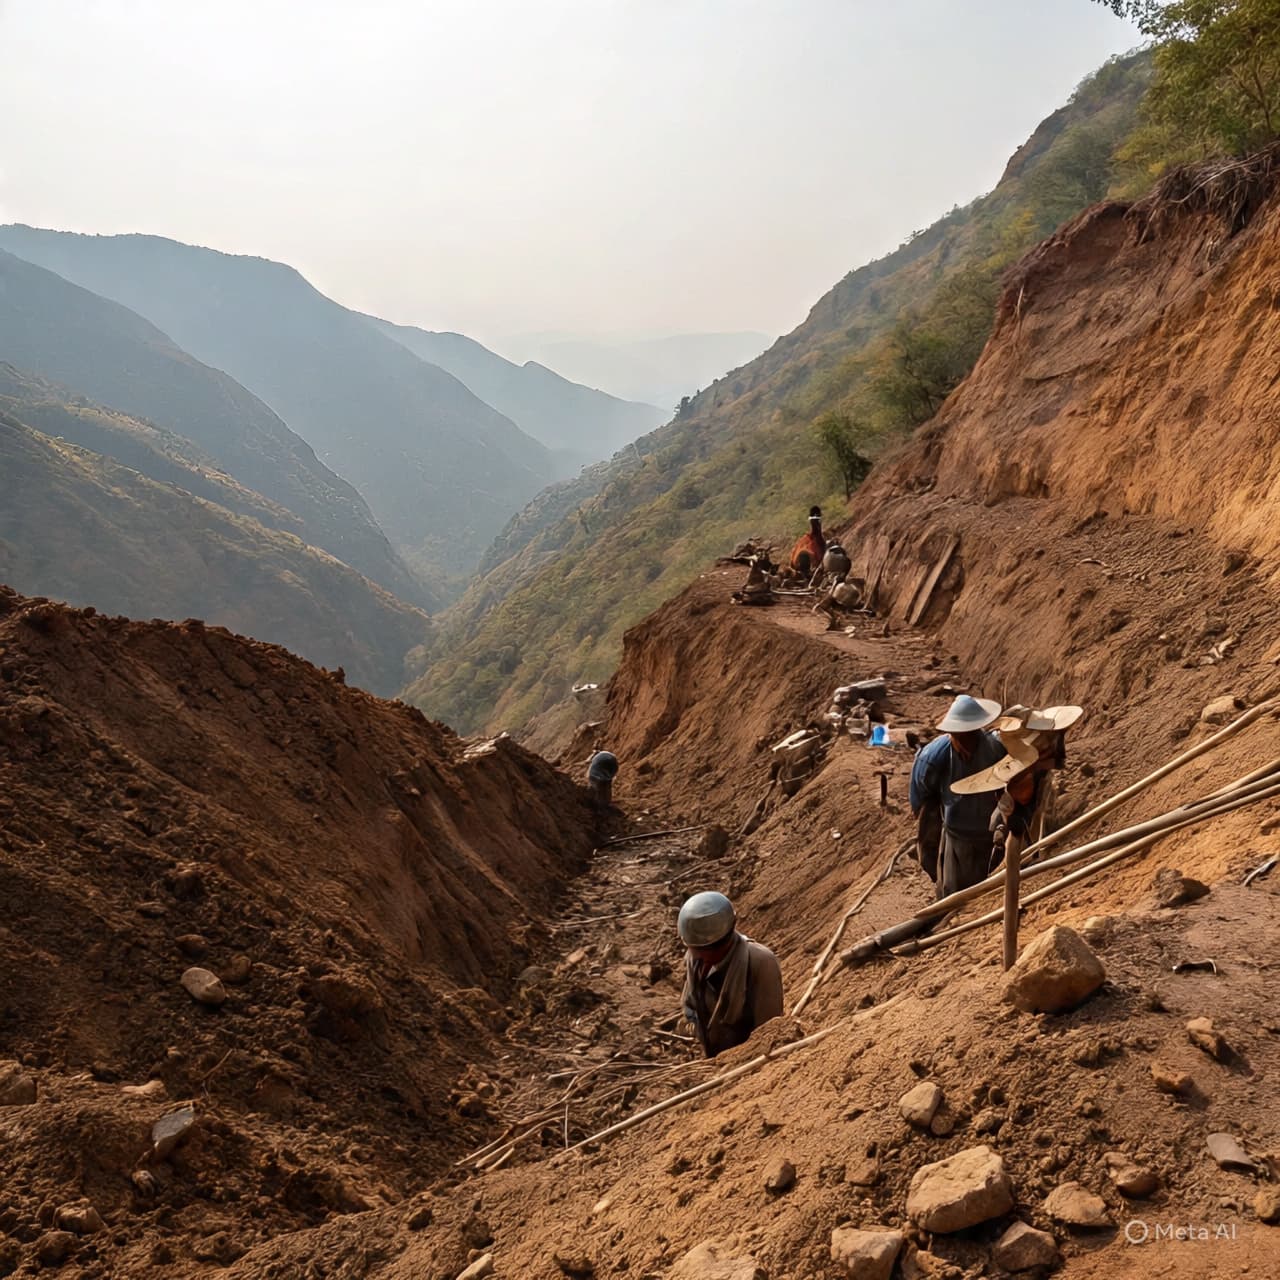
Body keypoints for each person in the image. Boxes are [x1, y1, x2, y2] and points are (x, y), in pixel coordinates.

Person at [909, 695, 1007, 899]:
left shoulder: (995, 749)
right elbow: (920, 800)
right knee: (952, 892)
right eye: (961, 736)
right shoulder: (934, 758)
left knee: (989, 889)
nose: (967, 742)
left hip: (988, 834)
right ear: (952, 733)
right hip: (956, 835)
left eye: (971, 735)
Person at [679, 891, 783, 1058]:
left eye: (704, 951)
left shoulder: (760, 962)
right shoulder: (695, 961)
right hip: (714, 1059)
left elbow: (769, 1031)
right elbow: (690, 1006)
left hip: (746, 1063)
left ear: (724, 942)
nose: (697, 956)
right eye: (694, 949)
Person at [789, 506, 826, 578]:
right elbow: (817, 532)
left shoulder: (812, 520)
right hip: (815, 540)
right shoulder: (817, 521)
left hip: (813, 538)